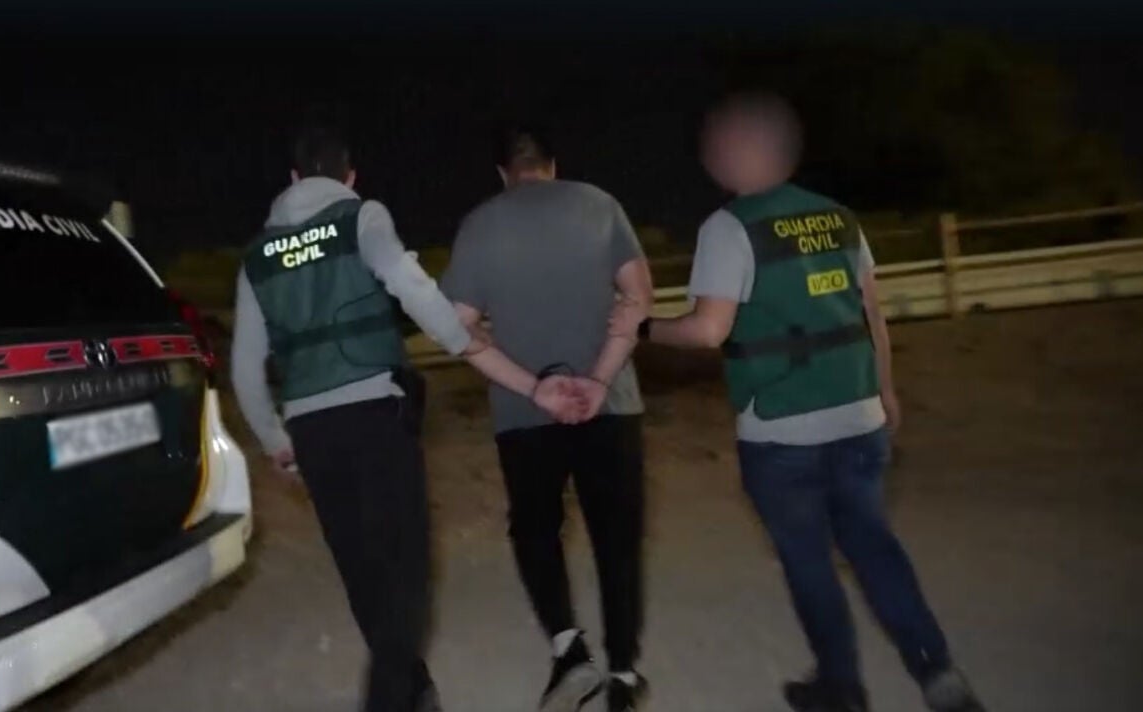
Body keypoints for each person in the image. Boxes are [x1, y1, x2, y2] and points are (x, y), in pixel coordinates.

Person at [614, 93, 986, 712]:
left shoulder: (729, 228)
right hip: (859, 415)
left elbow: (708, 331)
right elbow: (871, 313)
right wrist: (886, 389)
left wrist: (642, 328)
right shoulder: (838, 217)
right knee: (874, 546)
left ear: (731, 155)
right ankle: (940, 675)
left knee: (809, 561)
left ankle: (841, 689)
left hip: (782, 430)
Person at [231, 123, 586, 712]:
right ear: (350, 177)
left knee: (361, 569)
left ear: (292, 179)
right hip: (375, 413)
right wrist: (466, 342)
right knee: (407, 572)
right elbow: (412, 288)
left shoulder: (256, 257)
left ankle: (414, 690)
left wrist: (274, 439)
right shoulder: (362, 216)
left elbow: (245, 368)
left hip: (312, 430)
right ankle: (390, 698)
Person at [440, 124, 655, 712]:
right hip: (610, 405)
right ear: (553, 165)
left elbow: (455, 327)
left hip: (525, 412)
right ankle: (624, 674)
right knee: (617, 536)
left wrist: (537, 388)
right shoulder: (600, 205)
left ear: (502, 172)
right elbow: (638, 298)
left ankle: (569, 649)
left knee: (535, 530)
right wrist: (598, 379)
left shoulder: (480, 224)